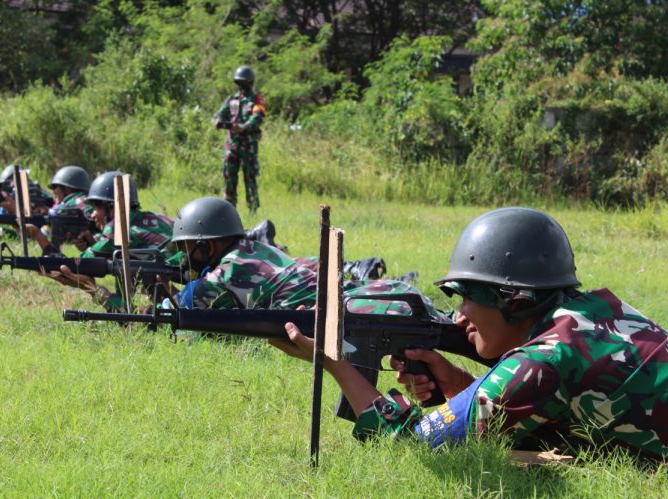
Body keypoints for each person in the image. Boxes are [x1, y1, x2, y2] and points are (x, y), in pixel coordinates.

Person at [269, 207, 668, 459]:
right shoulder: (597, 309)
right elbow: (544, 414)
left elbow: (412, 447)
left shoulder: (541, 361)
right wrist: (458, 383)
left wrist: (334, 362)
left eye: (466, 299)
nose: (459, 317)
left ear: (513, 300)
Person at [170, 197, 436, 315]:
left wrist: (158, 303)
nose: (185, 257)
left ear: (208, 247)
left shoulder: (230, 270)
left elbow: (188, 304)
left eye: (188, 248)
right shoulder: (256, 249)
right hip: (349, 299)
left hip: (342, 312)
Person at [43, 171, 175, 310]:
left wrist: (55, 263)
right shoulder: (145, 218)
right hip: (181, 274)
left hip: (178, 277)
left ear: (111, 207)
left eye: (95, 208)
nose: (92, 215)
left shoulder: (118, 226)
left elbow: (82, 262)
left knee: (129, 309)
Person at [213, 65, 265, 214]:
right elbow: (220, 114)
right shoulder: (232, 99)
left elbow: (257, 118)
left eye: (243, 82)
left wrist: (243, 127)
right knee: (229, 178)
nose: (240, 85)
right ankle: (229, 211)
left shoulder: (256, 100)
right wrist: (219, 122)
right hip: (232, 146)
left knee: (250, 179)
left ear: (249, 82)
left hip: (248, 146)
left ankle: (252, 211)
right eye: (238, 82)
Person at [22, 165, 95, 255]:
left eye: (56, 193)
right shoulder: (86, 201)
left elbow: (55, 215)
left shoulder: (75, 201)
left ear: (67, 190)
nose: (54, 198)